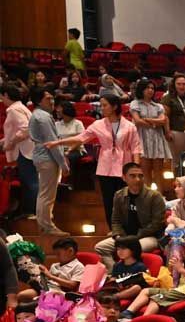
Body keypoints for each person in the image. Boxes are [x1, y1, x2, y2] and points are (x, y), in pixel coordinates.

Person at [46, 94, 141, 227]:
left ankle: (129, 227)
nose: (101, 108)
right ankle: (113, 229)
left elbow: (136, 147)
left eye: (104, 105)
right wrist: (57, 143)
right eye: (101, 105)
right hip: (105, 166)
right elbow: (81, 138)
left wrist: (135, 168)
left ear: (114, 107)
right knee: (109, 200)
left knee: (126, 200)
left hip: (124, 167)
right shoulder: (98, 124)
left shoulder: (129, 126)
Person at [120, 226, 185, 320]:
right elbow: (176, 275)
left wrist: (181, 269)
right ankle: (128, 312)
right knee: (146, 291)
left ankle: (143, 321)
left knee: (156, 298)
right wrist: (173, 267)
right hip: (180, 289)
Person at [93, 163, 166, 269]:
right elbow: (115, 220)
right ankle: (115, 272)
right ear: (124, 178)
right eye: (132, 176)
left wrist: (133, 238)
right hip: (125, 236)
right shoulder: (119, 195)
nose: (137, 179)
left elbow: (156, 224)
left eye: (140, 176)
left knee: (132, 249)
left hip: (148, 237)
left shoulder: (154, 196)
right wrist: (118, 236)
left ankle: (133, 275)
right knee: (100, 247)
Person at [27, 88, 70, 236]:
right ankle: (47, 226)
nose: (52, 102)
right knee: (47, 195)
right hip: (47, 157)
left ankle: (44, 225)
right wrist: (63, 163)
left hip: (42, 156)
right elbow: (52, 142)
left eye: (52, 98)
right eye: (48, 99)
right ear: (39, 101)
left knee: (44, 194)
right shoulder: (43, 117)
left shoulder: (38, 115)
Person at [3, 84, 39, 221]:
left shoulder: (14, 109)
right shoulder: (21, 107)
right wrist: (6, 140)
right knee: (31, 181)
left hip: (25, 150)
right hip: (28, 148)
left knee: (30, 181)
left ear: (6, 95)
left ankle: (32, 211)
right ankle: (31, 211)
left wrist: (10, 142)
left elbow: (25, 129)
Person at [130, 78, 172, 185]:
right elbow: (138, 121)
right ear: (141, 89)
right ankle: (147, 198)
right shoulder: (135, 103)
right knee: (145, 172)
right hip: (142, 139)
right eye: (147, 88)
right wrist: (155, 123)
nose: (150, 90)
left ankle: (159, 197)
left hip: (157, 139)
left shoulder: (158, 106)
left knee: (159, 172)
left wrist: (148, 120)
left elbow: (163, 120)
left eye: (152, 88)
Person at [18, 237, 82, 303]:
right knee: (21, 295)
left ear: (70, 251)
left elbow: (73, 285)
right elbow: (48, 280)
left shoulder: (78, 266)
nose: (56, 256)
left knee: (35, 299)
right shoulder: (55, 265)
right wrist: (40, 271)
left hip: (60, 293)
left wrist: (50, 276)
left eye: (58, 254)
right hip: (45, 288)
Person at [108, 236, 147, 302]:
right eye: (118, 249)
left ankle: (113, 297)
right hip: (119, 289)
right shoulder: (117, 265)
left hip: (132, 292)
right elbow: (114, 279)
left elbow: (141, 286)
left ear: (133, 249)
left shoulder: (140, 266)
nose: (120, 252)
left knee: (136, 288)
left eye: (123, 249)